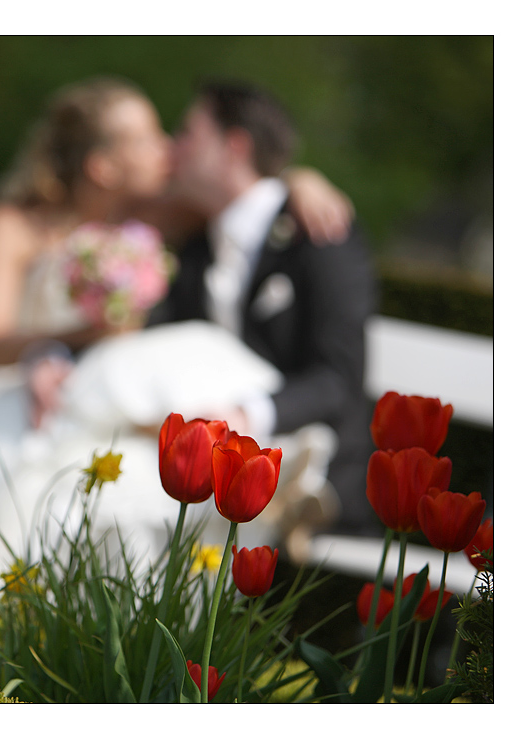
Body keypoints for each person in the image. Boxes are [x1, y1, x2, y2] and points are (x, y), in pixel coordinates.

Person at [0, 76, 358, 590]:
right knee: (7, 459)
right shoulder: (18, 224)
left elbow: (251, 190)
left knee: (102, 472)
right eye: (148, 137)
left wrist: (302, 181)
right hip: (31, 384)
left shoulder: (164, 215)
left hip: (116, 398)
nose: (168, 147)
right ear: (102, 165)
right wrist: (60, 342)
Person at [152, 79, 379, 543]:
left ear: (234, 147)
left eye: (189, 133)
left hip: (315, 462)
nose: (175, 148)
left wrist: (246, 415)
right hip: (210, 460)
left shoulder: (318, 229)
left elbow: (339, 376)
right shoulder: (194, 245)